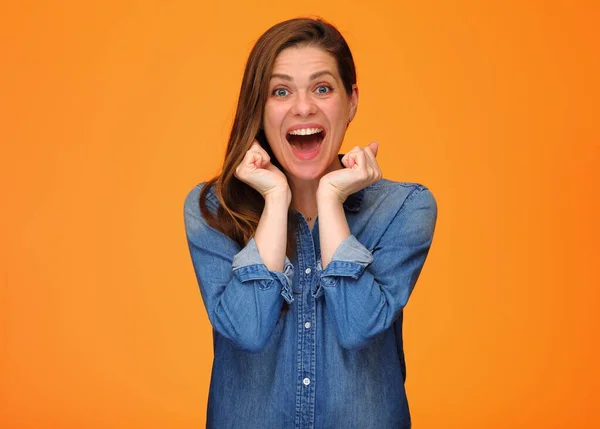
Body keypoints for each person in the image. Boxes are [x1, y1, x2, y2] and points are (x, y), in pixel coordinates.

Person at [183, 17, 437, 429]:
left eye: (322, 88)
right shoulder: (213, 209)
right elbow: (247, 330)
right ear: (258, 108)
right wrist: (276, 198)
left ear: (351, 100)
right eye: (280, 91)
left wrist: (331, 200)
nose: (303, 107)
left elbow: (358, 326)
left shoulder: (405, 207)